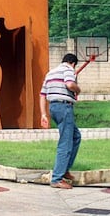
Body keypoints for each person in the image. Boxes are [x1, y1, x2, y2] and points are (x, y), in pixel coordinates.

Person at [39, 53, 81, 189]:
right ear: (73, 63)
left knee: (76, 136)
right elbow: (70, 84)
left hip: (53, 107)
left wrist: (43, 114)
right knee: (65, 142)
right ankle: (57, 178)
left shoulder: (50, 73)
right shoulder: (68, 70)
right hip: (64, 107)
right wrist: (78, 89)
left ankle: (65, 168)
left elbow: (42, 95)